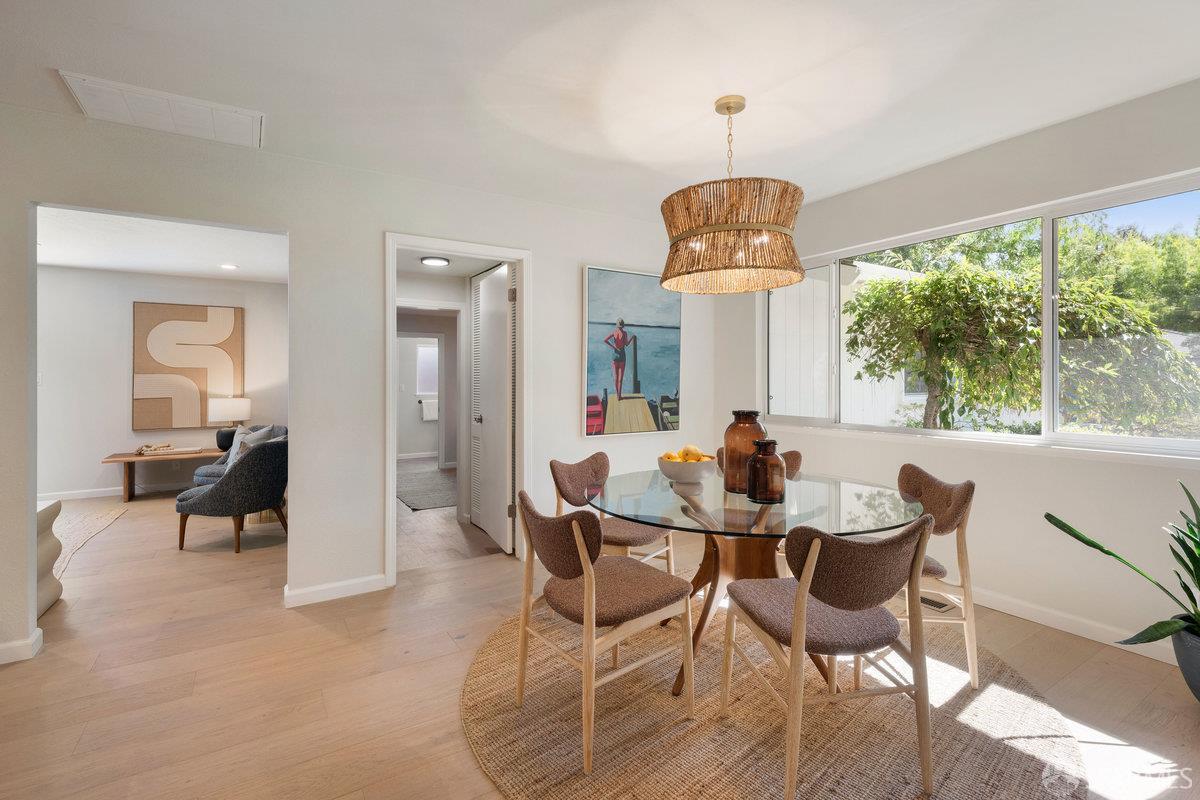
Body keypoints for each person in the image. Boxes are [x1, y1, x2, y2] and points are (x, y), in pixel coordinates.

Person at [603, 318, 631, 401]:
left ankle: (616, 394)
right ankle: (619, 396)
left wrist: (613, 346)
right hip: (622, 355)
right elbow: (626, 344)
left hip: (615, 355)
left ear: (617, 325)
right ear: (623, 325)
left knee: (616, 377)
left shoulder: (614, 332)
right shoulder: (625, 333)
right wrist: (632, 338)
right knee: (620, 378)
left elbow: (605, 340)